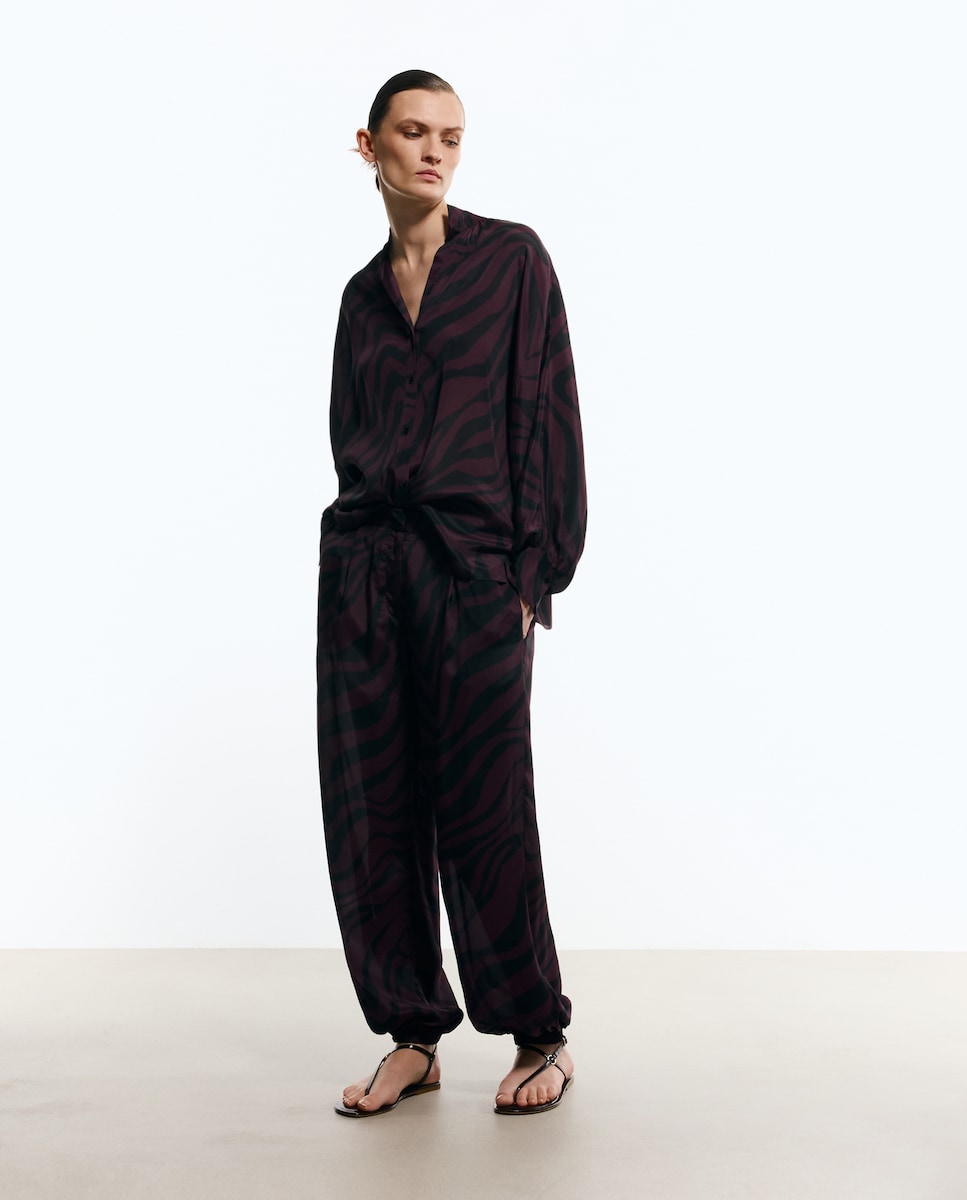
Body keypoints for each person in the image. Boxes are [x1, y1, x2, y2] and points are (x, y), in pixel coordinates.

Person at [316, 69, 587, 1117]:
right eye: (413, 132)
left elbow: (548, 415)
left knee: (483, 805)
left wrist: (533, 573)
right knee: (372, 805)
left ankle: (538, 1032)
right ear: (369, 145)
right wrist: (352, 564)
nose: (434, 152)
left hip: (477, 570)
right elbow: (350, 439)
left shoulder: (511, 262)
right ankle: (412, 1035)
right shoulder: (360, 298)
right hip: (367, 573)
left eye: (451, 137)